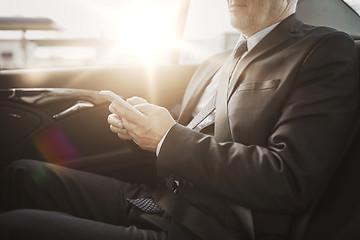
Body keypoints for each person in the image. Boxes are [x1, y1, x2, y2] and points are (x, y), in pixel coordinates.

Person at [0, 0, 358, 239]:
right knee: (20, 174)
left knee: (16, 226)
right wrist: (139, 132)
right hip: (158, 201)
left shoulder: (323, 51)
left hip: (208, 229)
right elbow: (181, 136)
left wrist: (166, 138)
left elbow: (289, 180)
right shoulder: (211, 64)